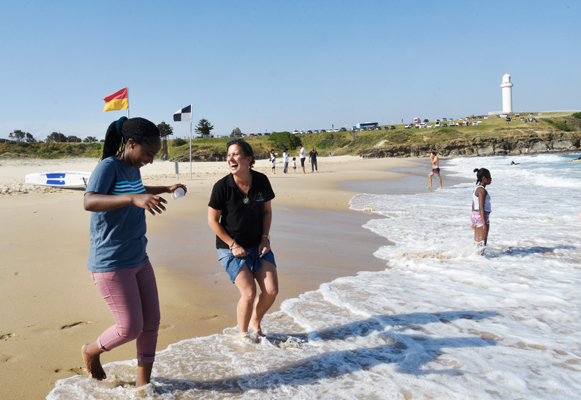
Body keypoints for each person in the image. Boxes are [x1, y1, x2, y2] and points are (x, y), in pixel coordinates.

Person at [82, 117, 187, 386]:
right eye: (149, 153)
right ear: (130, 143)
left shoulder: (133, 169)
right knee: (129, 328)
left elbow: (136, 190)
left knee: (151, 322)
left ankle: (144, 386)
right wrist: (133, 199)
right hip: (111, 262)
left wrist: (164, 188)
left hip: (139, 258)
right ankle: (91, 351)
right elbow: (90, 200)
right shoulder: (108, 167)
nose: (150, 159)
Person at [208, 139, 278, 341]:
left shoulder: (262, 181)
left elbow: (267, 212)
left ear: (249, 160)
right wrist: (233, 244)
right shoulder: (222, 186)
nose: (231, 158)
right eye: (229, 155)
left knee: (271, 291)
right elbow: (213, 221)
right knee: (248, 292)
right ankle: (243, 336)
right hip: (230, 247)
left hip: (258, 244)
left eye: (236, 154)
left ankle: (255, 322)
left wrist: (265, 239)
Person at [471, 168, 492, 254]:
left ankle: (476, 261)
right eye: (489, 177)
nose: (491, 179)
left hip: (475, 215)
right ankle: (480, 261)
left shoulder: (476, 189)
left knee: (477, 242)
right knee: (482, 243)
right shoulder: (482, 190)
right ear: (484, 178)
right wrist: (484, 223)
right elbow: (481, 207)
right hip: (481, 216)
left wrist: (473, 221)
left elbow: (473, 205)